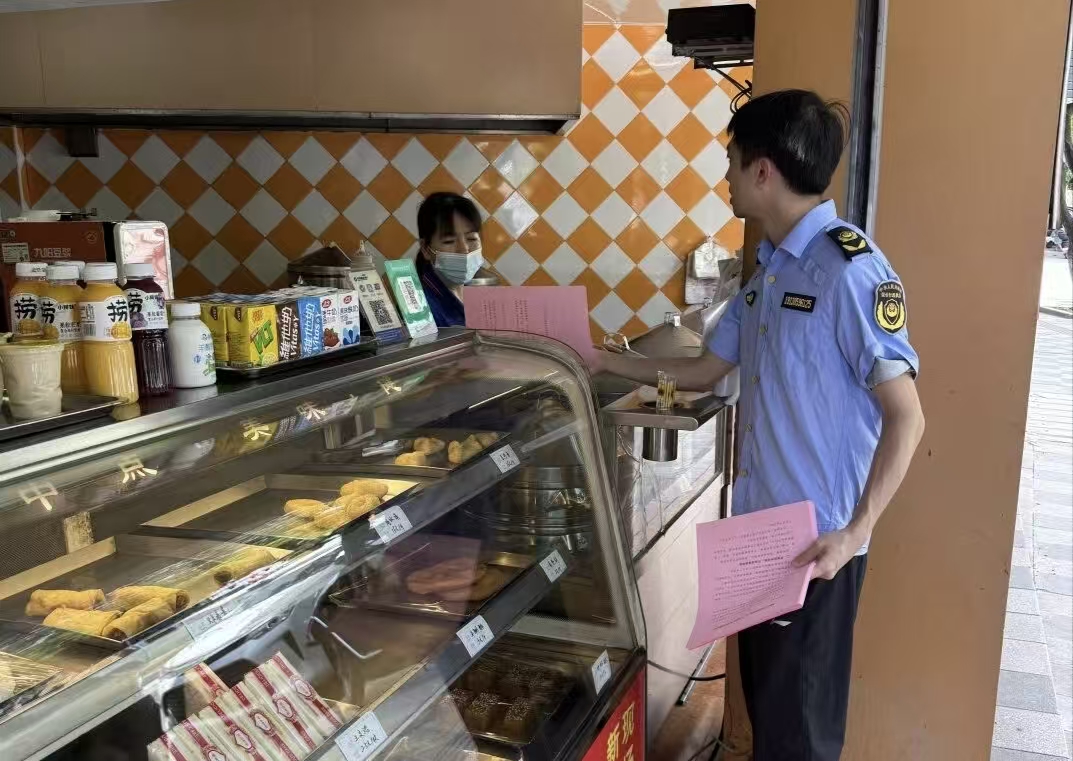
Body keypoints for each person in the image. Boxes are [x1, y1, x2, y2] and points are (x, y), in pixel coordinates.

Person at [598, 89, 926, 760]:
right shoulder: (771, 271)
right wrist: (602, 360)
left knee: (800, 737)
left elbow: (907, 417)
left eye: (732, 159)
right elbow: (705, 369)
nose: (725, 174)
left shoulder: (849, 271)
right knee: (774, 726)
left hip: (815, 550)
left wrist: (854, 533)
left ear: (763, 170)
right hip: (759, 540)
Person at [415, 192, 497, 327]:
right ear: (425, 249)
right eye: (449, 241)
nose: (464, 249)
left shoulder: (483, 290)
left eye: (471, 238)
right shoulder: (420, 308)